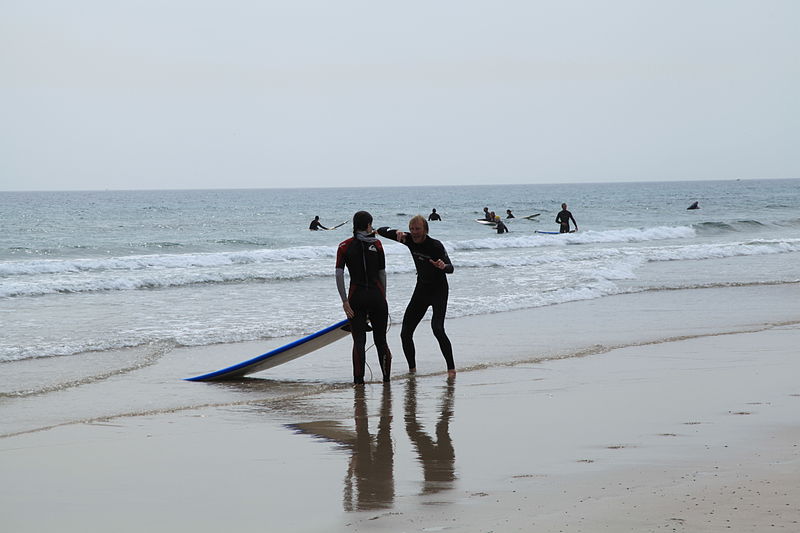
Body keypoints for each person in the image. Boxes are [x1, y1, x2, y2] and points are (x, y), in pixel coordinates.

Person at [377, 215, 455, 376]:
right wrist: (397, 231)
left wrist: (443, 265)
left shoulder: (435, 246)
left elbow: (451, 268)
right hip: (422, 290)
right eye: (412, 229)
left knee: (437, 329)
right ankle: (412, 371)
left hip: (439, 290)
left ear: (425, 229)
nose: (414, 232)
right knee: (405, 333)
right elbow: (382, 230)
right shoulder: (408, 239)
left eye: (418, 229)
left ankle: (451, 370)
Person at [336, 211, 392, 384]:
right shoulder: (378, 244)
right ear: (368, 225)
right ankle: (386, 381)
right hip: (377, 296)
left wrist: (345, 301)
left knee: (359, 341)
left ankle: (358, 382)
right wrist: (383, 298)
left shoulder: (344, 246)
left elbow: (339, 275)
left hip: (356, 298)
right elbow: (382, 274)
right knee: (381, 340)